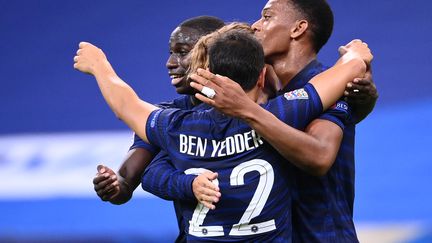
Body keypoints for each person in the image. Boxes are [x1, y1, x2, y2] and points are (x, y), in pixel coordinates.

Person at [73, 22, 372, 241]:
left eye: (184, 53)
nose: (172, 63)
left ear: (207, 69)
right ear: (261, 74)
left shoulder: (172, 125)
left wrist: (100, 66)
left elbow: (125, 105)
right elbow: (334, 79)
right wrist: (356, 55)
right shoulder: (280, 115)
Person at [188, 0, 378, 242]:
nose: (255, 26)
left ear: (297, 29)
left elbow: (319, 156)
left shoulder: (331, 86)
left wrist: (248, 111)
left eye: (267, 16)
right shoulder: (261, 92)